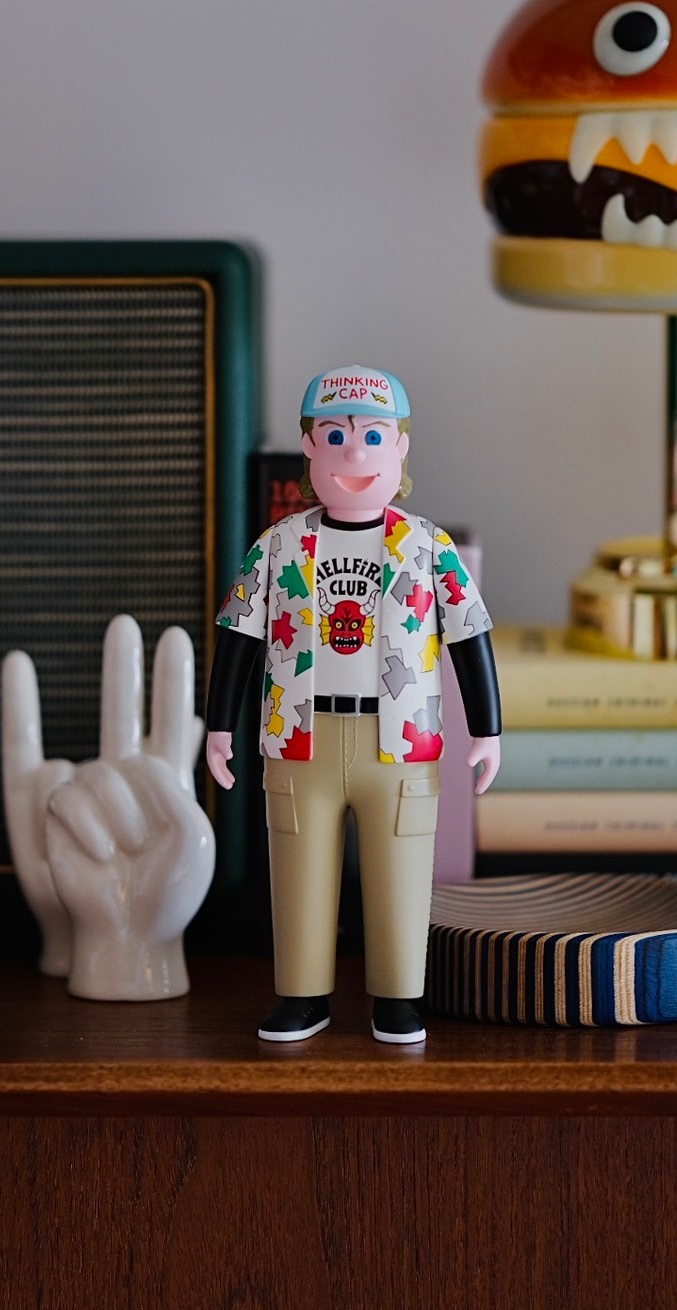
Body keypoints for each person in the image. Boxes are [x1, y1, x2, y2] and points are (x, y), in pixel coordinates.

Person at [205, 365, 501, 1044]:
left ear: (401, 447)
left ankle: (398, 998)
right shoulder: (278, 544)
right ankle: (302, 995)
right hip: (299, 734)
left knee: (402, 868)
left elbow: (470, 636)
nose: (355, 453)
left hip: (399, 741)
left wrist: (487, 730)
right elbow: (240, 635)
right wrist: (220, 725)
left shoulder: (427, 546)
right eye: (336, 436)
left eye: (372, 436)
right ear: (310, 448)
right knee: (299, 866)